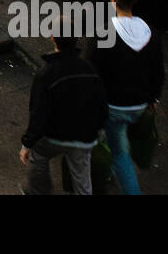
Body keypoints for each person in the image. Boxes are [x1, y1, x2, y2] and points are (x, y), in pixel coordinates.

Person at [91, 0, 164, 195]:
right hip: (141, 103)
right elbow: (158, 71)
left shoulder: (105, 34)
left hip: (114, 105)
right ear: (135, 0)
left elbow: (93, 73)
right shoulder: (150, 33)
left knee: (119, 152)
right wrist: (153, 98)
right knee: (122, 141)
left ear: (112, 2)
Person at [20, 36, 108, 195]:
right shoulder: (89, 68)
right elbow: (101, 101)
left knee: (38, 155)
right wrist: (100, 128)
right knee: (81, 174)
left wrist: (27, 143)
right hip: (84, 136)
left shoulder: (47, 73)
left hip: (55, 136)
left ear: (53, 39)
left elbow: (38, 113)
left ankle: (39, 190)